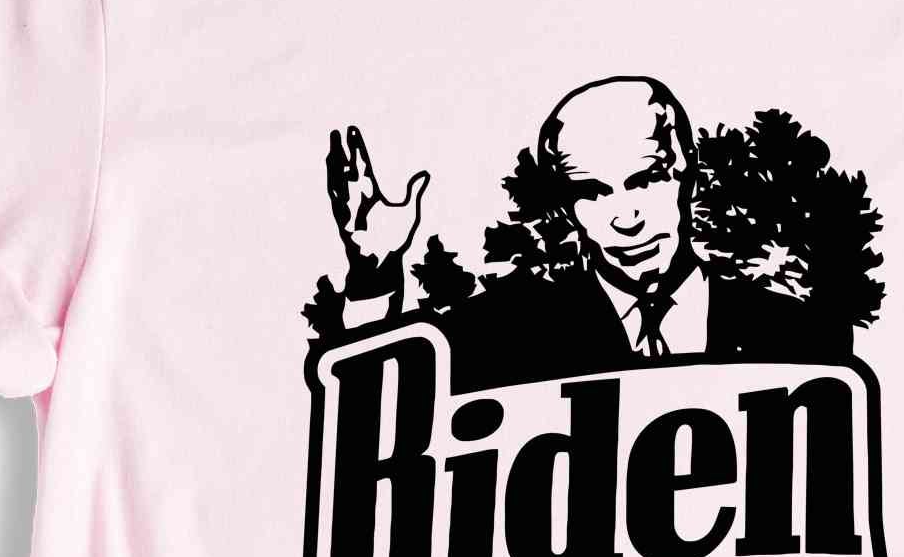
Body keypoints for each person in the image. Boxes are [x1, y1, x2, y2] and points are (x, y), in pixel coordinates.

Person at [323, 75, 850, 389]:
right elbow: (380, 418)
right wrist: (373, 276)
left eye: (644, 180)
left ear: (687, 168)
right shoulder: (506, 333)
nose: (625, 216)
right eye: (593, 192)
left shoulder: (801, 337)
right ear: (565, 202)